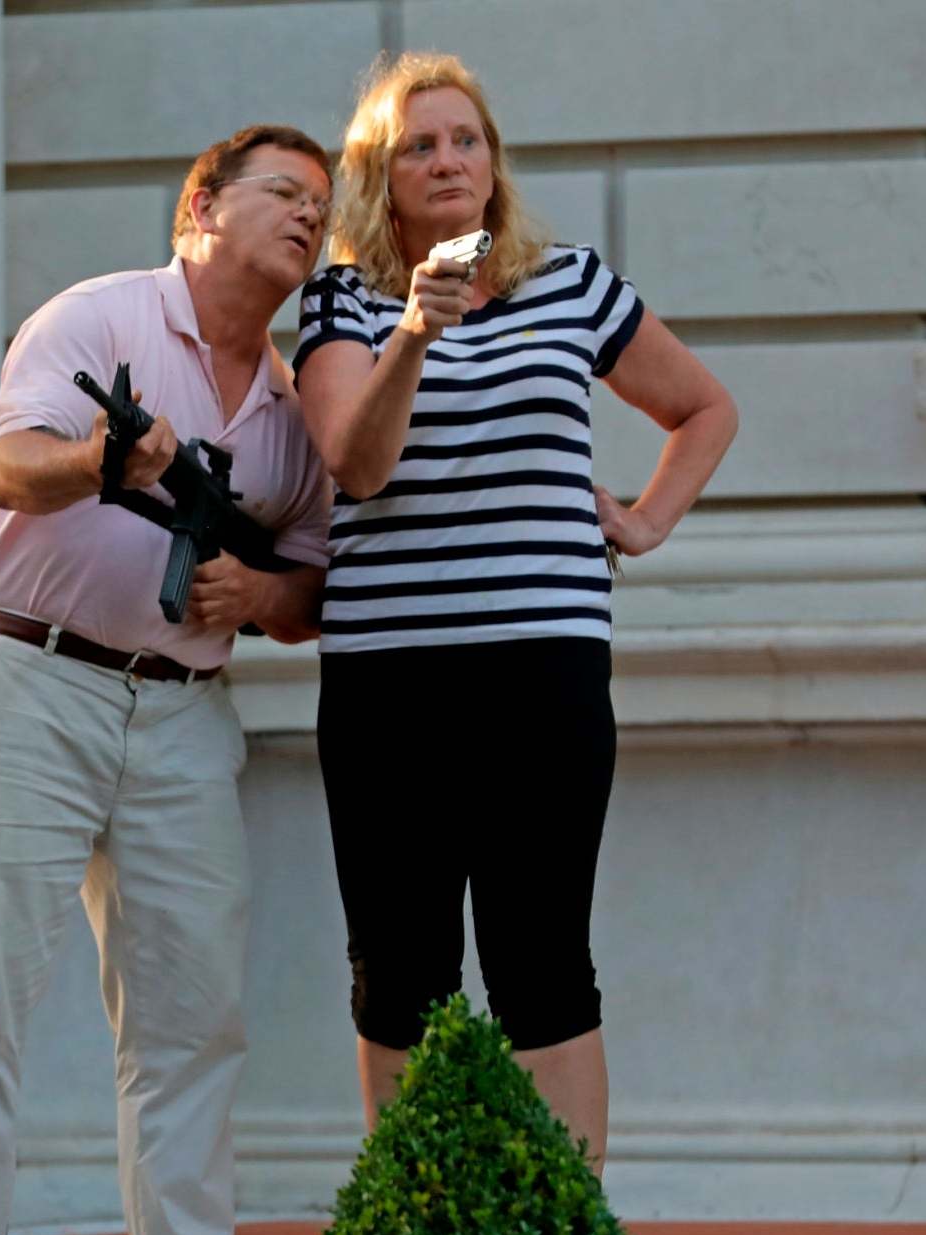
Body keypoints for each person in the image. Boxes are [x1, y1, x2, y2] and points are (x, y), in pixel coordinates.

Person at [0, 125, 336, 1235]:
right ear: (199, 203)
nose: (309, 216)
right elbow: (8, 466)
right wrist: (106, 456)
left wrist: (254, 598)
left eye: (322, 204)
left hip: (187, 709)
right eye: (284, 193)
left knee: (192, 1007)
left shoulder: (294, 412)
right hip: (33, 678)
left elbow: (309, 587)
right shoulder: (94, 322)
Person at [292, 54, 738, 1165]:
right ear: (379, 177)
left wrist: (642, 519)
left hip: (543, 669)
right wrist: (412, 334)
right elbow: (357, 468)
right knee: (400, 967)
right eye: (418, 145)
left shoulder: (569, 282)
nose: (447, 160)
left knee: (542, 957)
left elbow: (704, 408)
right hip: (390, 681)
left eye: (465, 140)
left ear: (493, 163)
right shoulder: (344, 304)